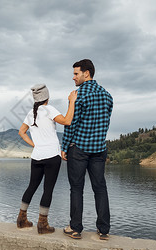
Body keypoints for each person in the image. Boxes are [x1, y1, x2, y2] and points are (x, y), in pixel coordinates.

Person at [61, 59, 113, 240]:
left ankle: (75, 228)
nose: (73, 77)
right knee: (100, 188)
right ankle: (104, 230)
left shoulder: (78, 95)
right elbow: (105, 122)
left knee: (76, 189)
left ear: (86, 73)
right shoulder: (107, 96)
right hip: (99, 149)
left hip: (79, 149)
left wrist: (64, 146)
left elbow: (71, 124)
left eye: (76, 73)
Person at [17, 83, 77, 234]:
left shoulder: (31, 113)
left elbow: (21, 132)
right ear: (47, 97)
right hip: (51, 156)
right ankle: (42, 225)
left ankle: (21, 219)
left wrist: (35, 145)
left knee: (31, 186)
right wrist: (72, 102)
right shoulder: (50, 109)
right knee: (47, 190)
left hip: (37, 156)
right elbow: (67, 121)